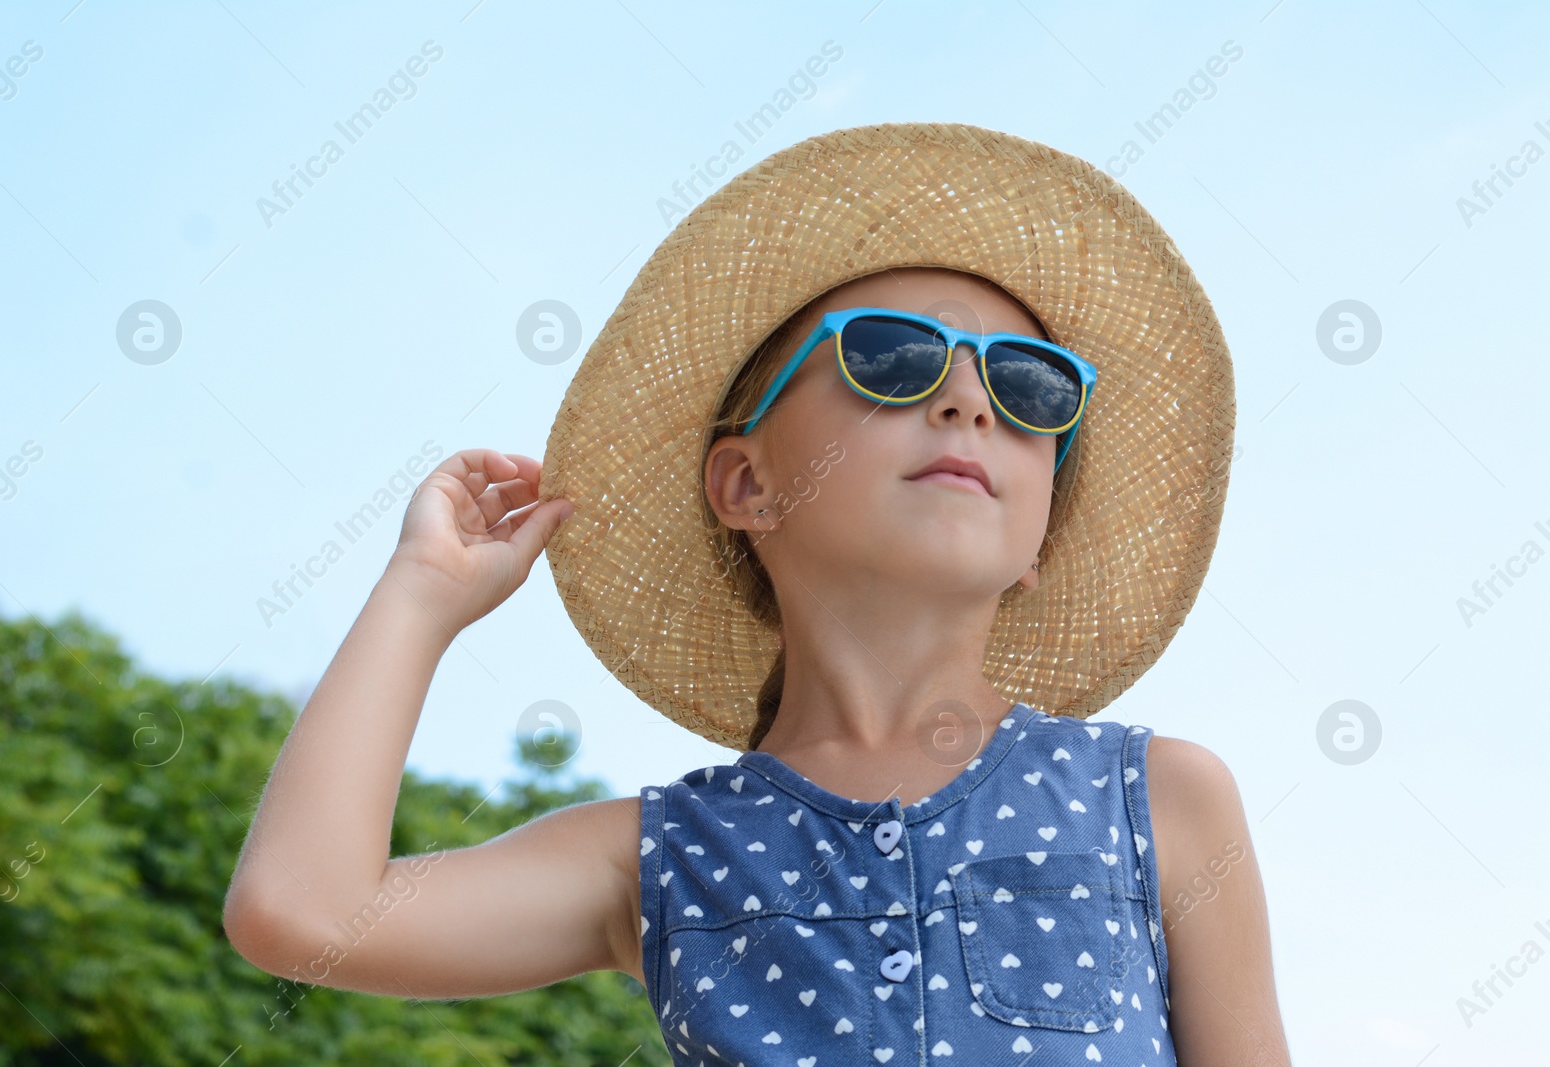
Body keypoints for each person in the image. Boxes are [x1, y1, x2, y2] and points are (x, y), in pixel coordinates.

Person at [224, 123, 1290, 1065]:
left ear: (1039, 539)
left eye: (1030, 388)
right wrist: (420, 597)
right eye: (895, 357)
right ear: (747, 482)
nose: (969, 398)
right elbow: (304, 910)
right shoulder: (659, 859)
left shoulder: (1159, 800)